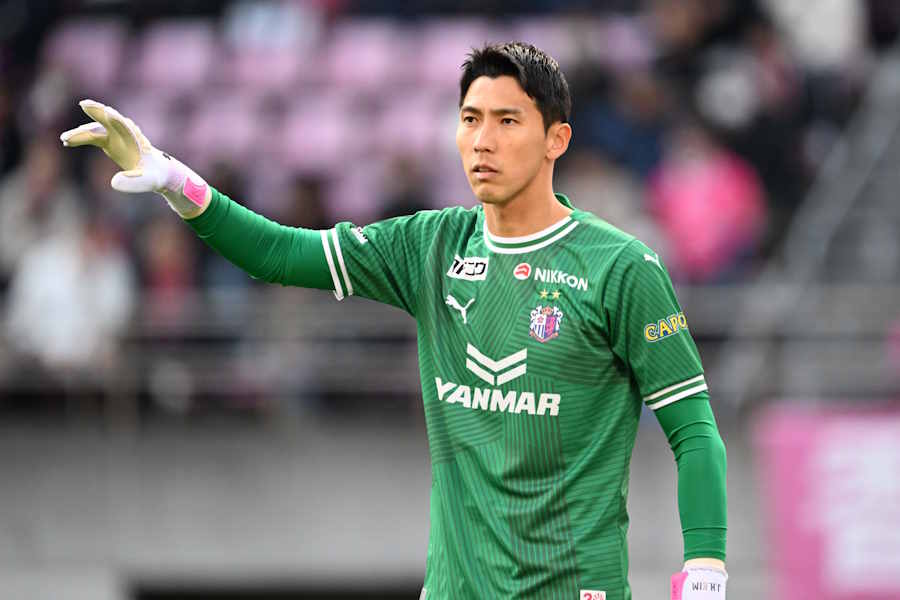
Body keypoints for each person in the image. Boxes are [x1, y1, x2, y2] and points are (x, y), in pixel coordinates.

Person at [61, 42, 727, 600]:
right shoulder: (429, 246)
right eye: (470, 120)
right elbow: (278, 253)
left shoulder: (621, 267)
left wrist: (706, 570)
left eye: (507, 121)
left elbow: (693, 428)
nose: (483, 141)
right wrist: (176, 182)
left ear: (557, 138)